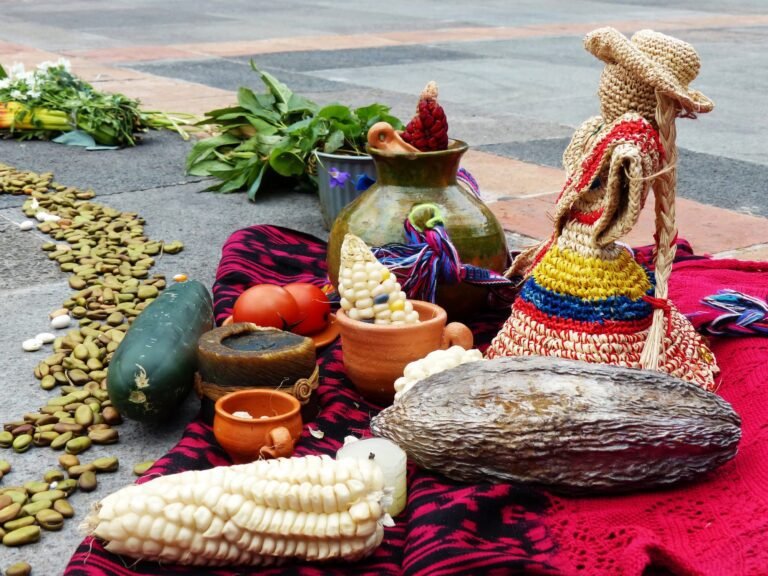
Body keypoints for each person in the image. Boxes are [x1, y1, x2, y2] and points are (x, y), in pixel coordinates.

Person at [487, 27, 718, 390]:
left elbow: (617, 209)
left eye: (614, 71)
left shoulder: (630, 143)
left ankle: (589, 365)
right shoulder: (609, 132)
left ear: (631, 86)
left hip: (587, 250)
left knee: (579, 308)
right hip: (572, 246)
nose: (603, 82)